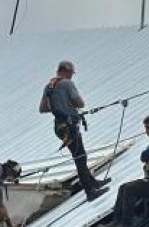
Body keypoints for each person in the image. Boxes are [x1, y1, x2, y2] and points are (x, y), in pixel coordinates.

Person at [39, 60, 110, 201]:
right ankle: (90, 192)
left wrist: (59, 104)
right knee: (80, 158)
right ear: (65, 70)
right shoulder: (67, 84)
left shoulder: (49, 86)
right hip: (69, 126)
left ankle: (92, 182)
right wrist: (68, 103)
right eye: (71, 73)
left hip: (59, 127)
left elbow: (43, 108)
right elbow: (80, 103)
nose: (72, 76)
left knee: (79, 155)